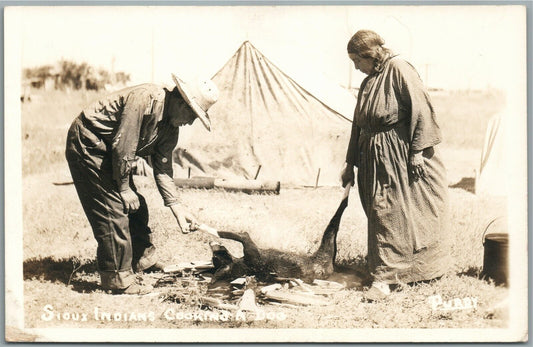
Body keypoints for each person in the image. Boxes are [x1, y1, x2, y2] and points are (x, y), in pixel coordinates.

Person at [65, 75, 219, 294]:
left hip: (112, 151)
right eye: (192, 114)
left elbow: (163, 168)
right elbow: (124, 145)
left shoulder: (170, 129)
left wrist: (177, 207)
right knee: (114, 209)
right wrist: (125, 189)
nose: (191, 122)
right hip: (88, 143)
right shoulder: (145, 99)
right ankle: (118, 280)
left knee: (138, 207)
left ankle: (142, 261)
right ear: (180, 101)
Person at [341, 30, 450, 301]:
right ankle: (392, 269)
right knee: (379, 212)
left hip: (398, 157)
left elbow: (422, 110)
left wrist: (417, 152)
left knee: (389, 212)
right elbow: (358, 124)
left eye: (357, 60)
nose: (355, 67)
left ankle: (386, 279)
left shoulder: (399, 69)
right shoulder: (368, 82)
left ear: (371, 54)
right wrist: (350, 163)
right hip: (372, 158)